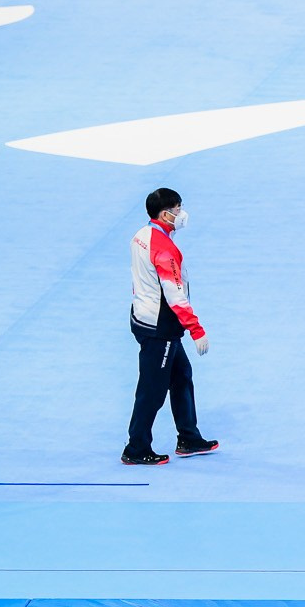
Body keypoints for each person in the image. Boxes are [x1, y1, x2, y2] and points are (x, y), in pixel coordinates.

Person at [124, 187, 216, 465]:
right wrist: (196, 329)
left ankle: (188, 436)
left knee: (181, 377)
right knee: (152, 389)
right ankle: (136, 448)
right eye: (177, 209)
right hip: (160, 328)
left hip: (143, 315)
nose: (181, 213)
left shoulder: (141, 236)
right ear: (165, 214)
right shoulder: (165, 250)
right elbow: (175, 295)